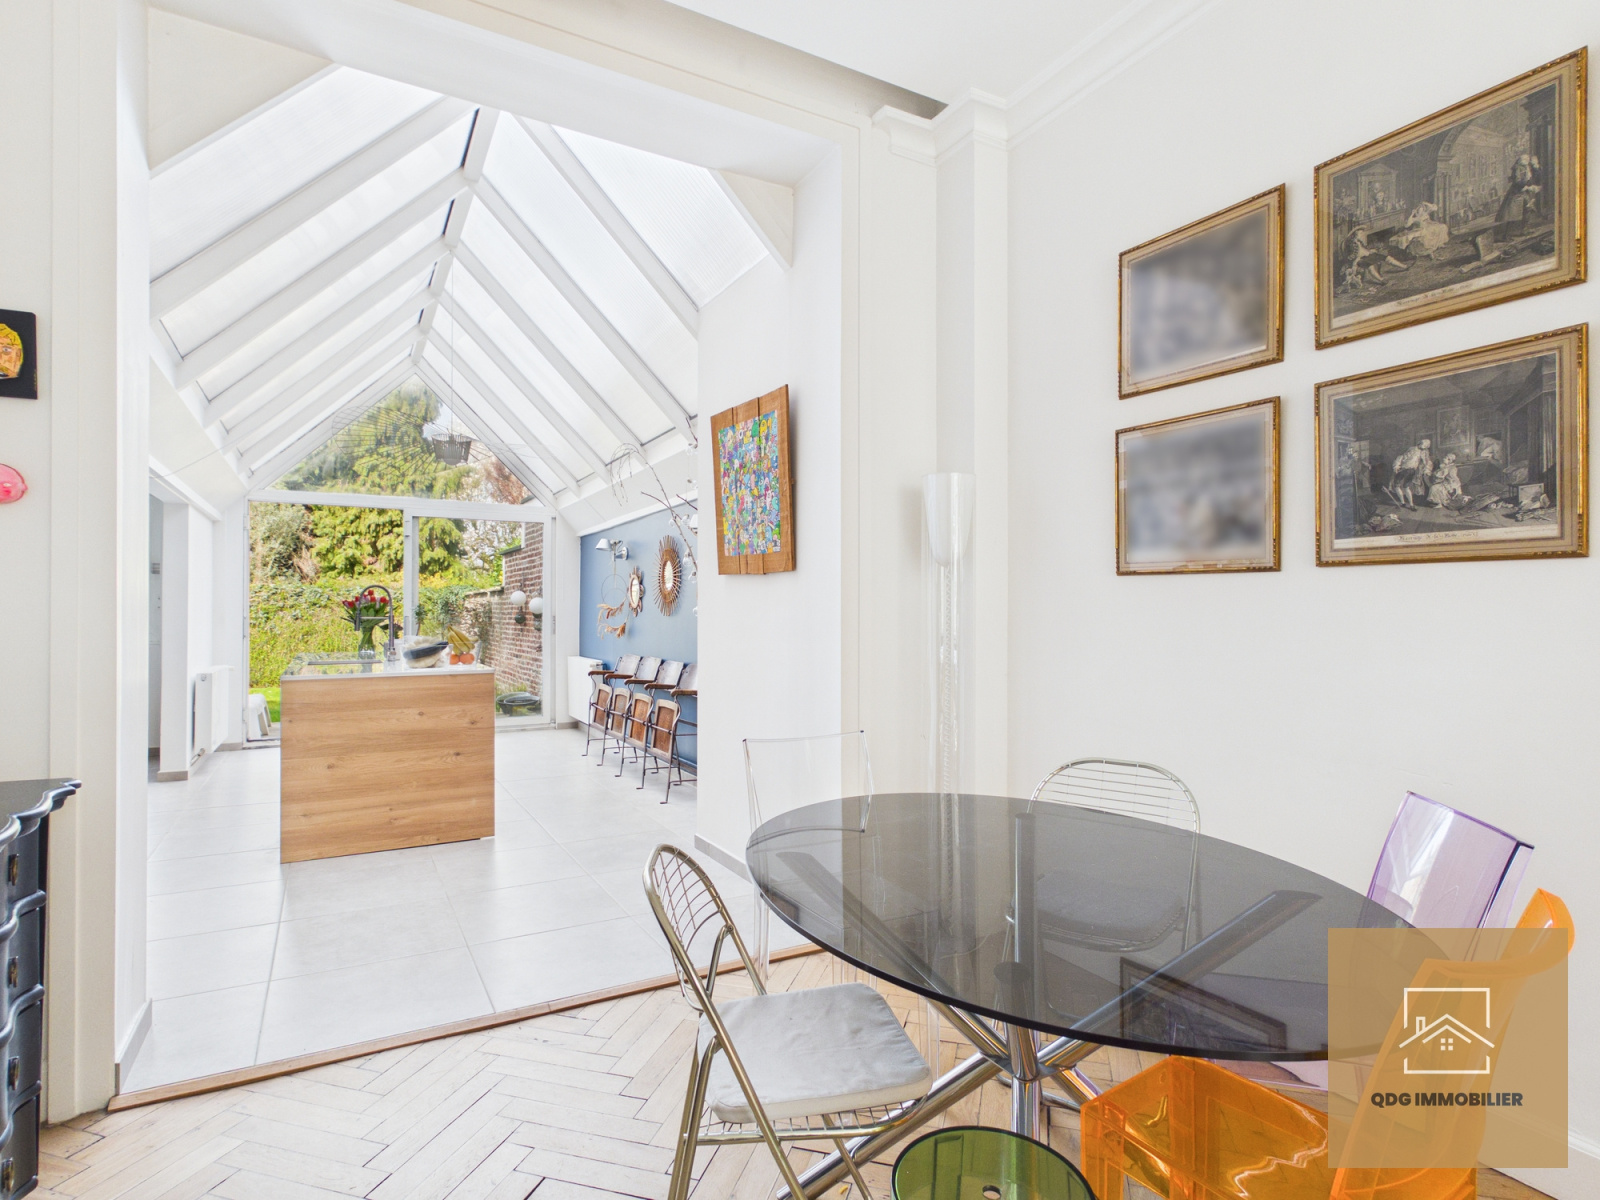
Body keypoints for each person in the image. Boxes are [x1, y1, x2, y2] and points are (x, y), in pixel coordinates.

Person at [1386, 438, 1432, 508]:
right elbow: (1401, 457)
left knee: (1404, 487)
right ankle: (1404, 503)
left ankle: (1410, 504)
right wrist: (1396, 466)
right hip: (1402, 469)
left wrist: (1426, 470)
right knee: (1398, 486)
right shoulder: (1412, 449)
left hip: (1409, 470)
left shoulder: (1423, 453)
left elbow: (1427, 463)